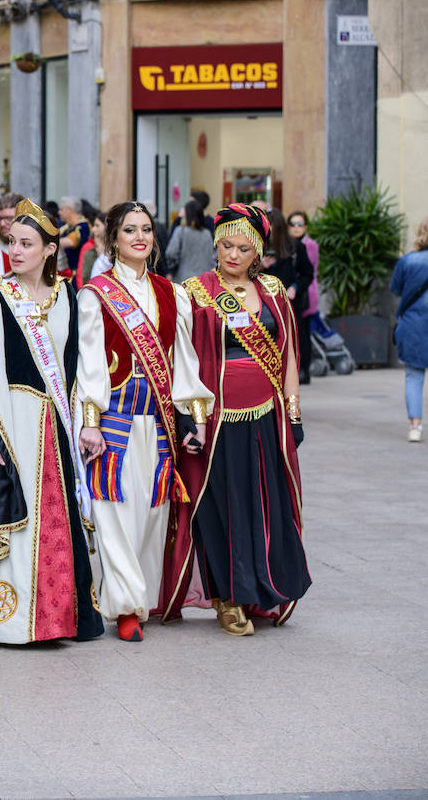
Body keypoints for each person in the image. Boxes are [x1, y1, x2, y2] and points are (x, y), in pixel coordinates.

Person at [0, 199, 104, 644]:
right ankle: (9, 621)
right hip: (12, 418)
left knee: (59, 525)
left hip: (55, 422)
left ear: (48, 250)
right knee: (16, 518)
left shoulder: (69, 297)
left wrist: (84, 420)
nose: (16, 251)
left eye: (27, 244)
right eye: (12, 242)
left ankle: (60, 618)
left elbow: (74, 367)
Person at [162, 203, 311, 635]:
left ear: (258, 251)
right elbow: (184, 359)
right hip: (218, 417)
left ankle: (262, 590)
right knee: (221, 507)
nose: (232, 254)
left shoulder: (273, 290)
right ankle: (226, 597)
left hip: (267, 416)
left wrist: (294, 411)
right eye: (225, 245)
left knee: (264, 505)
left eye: (242, 248)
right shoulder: (196, 290)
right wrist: (191, 417)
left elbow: (288, 356)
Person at [77, 202, 212, 642]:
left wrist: (194, 419)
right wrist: (89, 419)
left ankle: (140, 597)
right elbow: (90, 362)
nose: (140, 237)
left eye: (147, 230)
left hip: (157, 420)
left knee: (152, 513)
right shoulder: (95, 293)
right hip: (114, 416)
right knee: (116, 512)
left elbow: (185, 362)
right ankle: (126, 607)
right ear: (112, 237)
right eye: (129, 229)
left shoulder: (173, 294)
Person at [260, 209, 314, 383]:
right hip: (264, 302)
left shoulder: (295, 247)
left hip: (289, 303)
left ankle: (299, 371)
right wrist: (260, 265)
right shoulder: (259, 246)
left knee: (294, 337)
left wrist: (295, 287)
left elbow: (308, 274)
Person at [390, 216, 428, 443]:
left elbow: (396, 289)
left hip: (413, 324)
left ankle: (415, 426)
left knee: (414, 376)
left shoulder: (408, 261)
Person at [288, 210, 319, 385]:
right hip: (296, 290)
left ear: (305, 226)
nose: (296, 228)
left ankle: (304, 369)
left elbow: (310, 269)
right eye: (293, 224)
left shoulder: (309, 245)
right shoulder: (288, 244)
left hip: (305, 291)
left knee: (303, 332)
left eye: (300, 224)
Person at [166, 199, 214, 283]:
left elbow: (171, 253)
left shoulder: (181, 231)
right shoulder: (207, 234)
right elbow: (211, 256)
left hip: (183, 278)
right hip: (204, 280)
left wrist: (172, 267)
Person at [56, 196, 91, 278]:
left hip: (76, 277)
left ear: (69, 210)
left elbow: (70, 242)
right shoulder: (65, 227)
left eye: (61, 210)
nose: (59, 212)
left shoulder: (84, 226)